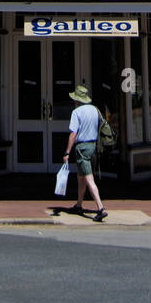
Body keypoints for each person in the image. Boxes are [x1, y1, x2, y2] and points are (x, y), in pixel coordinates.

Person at [63, 85, 108, 221]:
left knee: (88, 178)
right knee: (81, 177)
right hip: (93, 146)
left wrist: (67, 152)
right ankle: (79, 205)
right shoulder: (95, 110)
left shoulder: (76, 112)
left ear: (77, 100)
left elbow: (73, 133)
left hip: (81, 147)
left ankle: (100, 208)